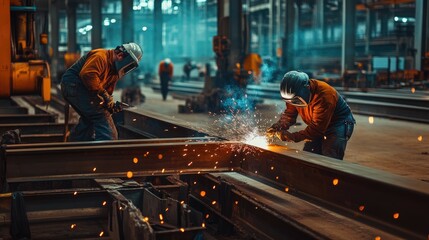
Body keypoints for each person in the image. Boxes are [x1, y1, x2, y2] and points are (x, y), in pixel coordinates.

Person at [60, 42, 143, 141]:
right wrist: (104, 95)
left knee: (89, 119)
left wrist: (110, 105)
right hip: (73, 86)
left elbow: (107, 91)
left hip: (83, 89)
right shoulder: (100, 56)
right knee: (101, 115)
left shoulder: (114, 71)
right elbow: (88, 75)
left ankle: (76, 146)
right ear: (120, 56)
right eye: (130, 64)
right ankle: (106, 149)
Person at [266, 71, 355, 160]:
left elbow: (316, 129)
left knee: (330, 158)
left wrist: (292, 137)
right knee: (309, 156)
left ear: (307, 88)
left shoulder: (324, 95)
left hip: (339, 123)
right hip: (319, 125)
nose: (294, 104)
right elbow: (290, 114)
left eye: (295, 100)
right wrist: (279, 125)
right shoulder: (293, 94)